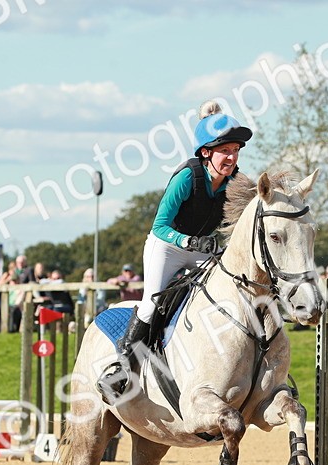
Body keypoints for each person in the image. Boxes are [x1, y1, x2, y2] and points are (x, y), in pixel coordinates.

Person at [98, 101, 252, 402]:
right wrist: (190, 243)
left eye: (235, 150)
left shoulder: (236, 182)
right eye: (225, 151)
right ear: (206, 152)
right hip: (167, 247)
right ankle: (122, 370)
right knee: (150, 305)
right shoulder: (187, 178)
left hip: (202, 249)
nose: (232, 157)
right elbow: (159, 227)